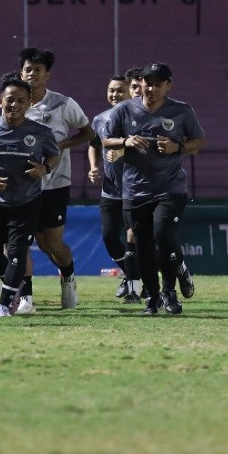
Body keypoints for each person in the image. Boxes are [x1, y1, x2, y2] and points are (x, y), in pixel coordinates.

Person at [103, 62, 204, 315]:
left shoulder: (181, 111)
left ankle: (169, 292)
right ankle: (153, 297)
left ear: (168, 85)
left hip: (170, 187)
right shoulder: (125, 110)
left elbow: (198, 141)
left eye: (158, 84)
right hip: (135, 189)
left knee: (163, 233)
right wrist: (125, 141)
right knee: (143, 243)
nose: (151, 89)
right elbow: (105, 140)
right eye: (148, 83)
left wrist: (177, 147)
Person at [0, 75, 60, 317]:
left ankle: (4, 303)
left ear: (29, 103)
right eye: (10, 100)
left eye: (21, 100)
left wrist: (45, 169)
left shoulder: (40, 132)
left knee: (17, 252)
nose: (15, 105)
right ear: (0, 101)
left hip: (27, 201)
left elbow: (54, 155)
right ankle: (14, 287)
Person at [18, 48, 95, 311]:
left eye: (37, 70)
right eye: (28, 69)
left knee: (50, 243)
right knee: (19, 241)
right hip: (22, 185)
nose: (32, 74)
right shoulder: (15, 103)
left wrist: (60, 145)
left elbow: (88, 133)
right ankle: (25, 297)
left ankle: (68, 277)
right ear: (21, 73)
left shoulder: (62, 104)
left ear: (47, 75)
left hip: (55, 184)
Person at [87, 75, 142, 303]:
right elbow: (93, 144)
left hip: (135, 189)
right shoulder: (100, 119)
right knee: (109, 237)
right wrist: (93, 167)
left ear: (130, 92)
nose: (115, 94)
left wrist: (122, 151)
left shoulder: (138, 118)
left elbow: (144, 148)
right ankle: (132, 275)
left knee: (132, 237)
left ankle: (135, 289)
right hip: (110, 189)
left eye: (120, 90)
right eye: (111, 90)